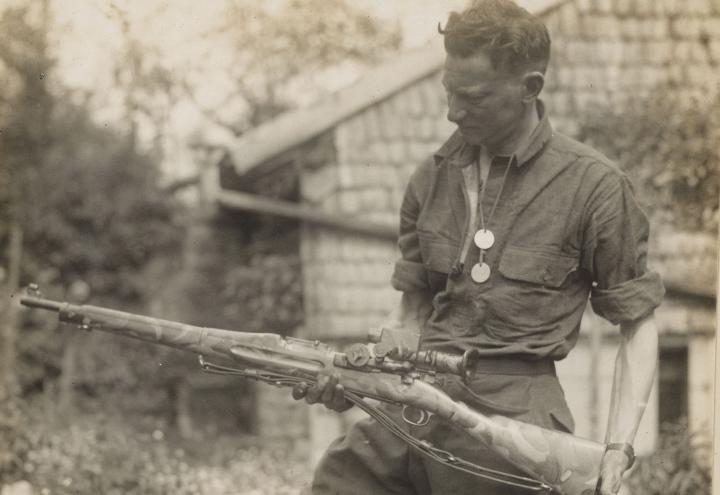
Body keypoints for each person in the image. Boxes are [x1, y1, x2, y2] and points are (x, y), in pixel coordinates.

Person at [292, 1, 665, 494]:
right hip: (416, 400)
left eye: (474, 98)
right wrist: (360, 376)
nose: (453, 112)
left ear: (531, 87)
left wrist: (619, 447)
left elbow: (637, 324)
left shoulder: (594, 186)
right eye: (449, 92)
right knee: (339, 479)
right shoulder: (430, 178)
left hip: (516, 418)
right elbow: (412, 313)